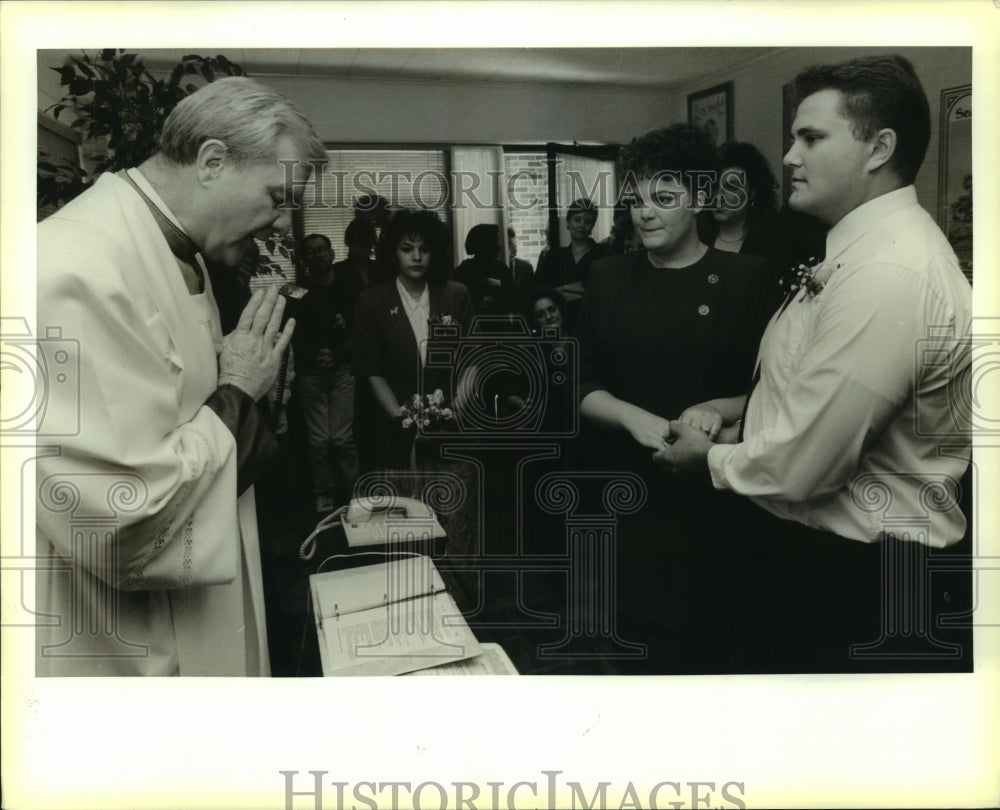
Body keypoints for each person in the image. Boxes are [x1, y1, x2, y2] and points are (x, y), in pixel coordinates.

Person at [658, 55, 973, 672]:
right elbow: (816, 388)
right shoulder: (860, 251)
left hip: (862, 582)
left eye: (811, 138)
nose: (789, 157)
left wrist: (709, 459)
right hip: (824, 564)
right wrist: (737, 414)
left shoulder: (888, 272)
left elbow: (807, 466)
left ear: (879, 147)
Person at [34, 76, 327, 676]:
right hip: (130, 647)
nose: (277, 223)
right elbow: (122, 519)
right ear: (213, 161)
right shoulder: (76, 267)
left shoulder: (182, 250)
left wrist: (249, 388)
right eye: (276, 196)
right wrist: (240, 389)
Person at [574, 123, 780, 672]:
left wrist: (719, 408)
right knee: (634, 653)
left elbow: (773, 390)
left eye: (664, 198)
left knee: (706, 654)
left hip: (711, 504)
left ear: (702, 200)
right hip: (627, 497)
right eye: (637, 199)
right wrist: (631, 417)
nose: (645, 213)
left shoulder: (748, 278)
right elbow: (580, 385)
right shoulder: (607, 277)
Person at [352, 209, 474, 471]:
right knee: (407, 506)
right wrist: (401, 417)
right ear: (393, 253)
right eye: (407, 248)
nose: (416, 257)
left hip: (452, 427)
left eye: (424, 249)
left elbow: (472, 360)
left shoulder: (456, 294)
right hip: (395, 433)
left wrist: (455, 410)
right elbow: (371, 370)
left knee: (454, 505)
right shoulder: (371, 301)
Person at [292, 233, 360, 514]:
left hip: (343, 370)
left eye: (322, 250)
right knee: (320, 442)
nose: (318, 255)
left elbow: (361, 330)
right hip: (311, 375)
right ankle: (324, 494)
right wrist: (314, 357)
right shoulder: (295, 294)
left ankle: (354, 493)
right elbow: (291, 336)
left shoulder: (350, 288)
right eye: (310, 252)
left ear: (332, 254)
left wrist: (338, 354)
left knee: (342, 440)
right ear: (303, 259)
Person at [699, 140, 823, 270]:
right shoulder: (696, 234)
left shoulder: (781, 240)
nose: (718, 197)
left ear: (752, 192)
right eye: (713, 186)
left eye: (731, 187)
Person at [534, 197, 608, 302]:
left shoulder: (603, 254)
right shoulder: (553, 257)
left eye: (587, 221)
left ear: (592, 226)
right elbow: (538, 291)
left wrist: (558, 292)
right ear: (568, 222)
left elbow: (605, 290)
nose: (582, 225)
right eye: (577, 220)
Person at [454, 223, 515, 315]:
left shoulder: (502, 270)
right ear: (484, 244)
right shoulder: (464, 271)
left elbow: (513, 301)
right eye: (495, 241)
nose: (499, 246)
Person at [507, 226, 536, 314]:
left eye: (514, 244)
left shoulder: (526, 268)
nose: (514, 249)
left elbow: (532, 297)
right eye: (509, 244)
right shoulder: (494, 269)